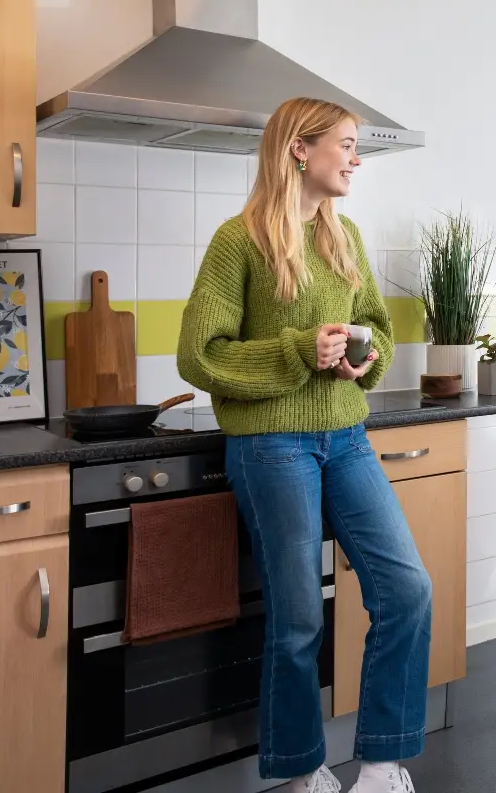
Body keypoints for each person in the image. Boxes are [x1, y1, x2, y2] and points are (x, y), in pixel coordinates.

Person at [178, 97, 430, 793]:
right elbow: (199, 354)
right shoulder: (240, 242)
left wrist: (363, 357)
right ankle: (299, 776)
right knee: (296, 619)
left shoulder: (340, 237)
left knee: (406, 589)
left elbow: (375, 325)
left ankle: (380, 765)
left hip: (345, 437)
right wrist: (297, 349)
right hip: (272, 446)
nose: (356, 159)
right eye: (346, 145)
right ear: (299, 148)